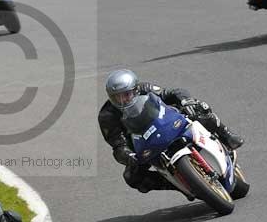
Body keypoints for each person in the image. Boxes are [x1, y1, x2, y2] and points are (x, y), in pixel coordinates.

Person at [98, 69, 244, 194]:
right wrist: (128, 156)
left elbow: (171, 93)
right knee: (132, 177)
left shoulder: (145, 88)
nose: (122, 100)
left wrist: (186, 101)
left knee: (199, 109)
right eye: (116, 97)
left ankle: (226, 135)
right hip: (144, 147)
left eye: (126, 94)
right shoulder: (106, 116)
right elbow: (118, 145)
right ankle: (178, 185)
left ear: (135, 90)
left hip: (169, 123)